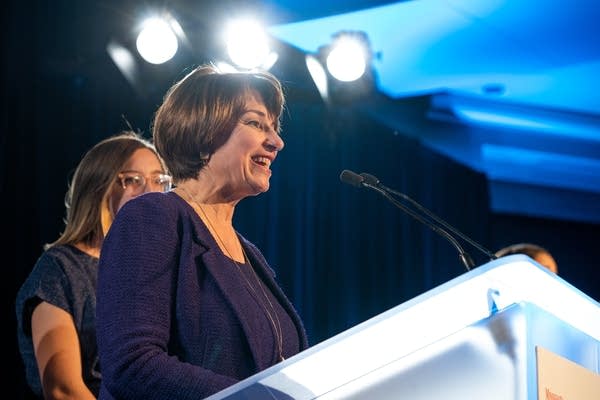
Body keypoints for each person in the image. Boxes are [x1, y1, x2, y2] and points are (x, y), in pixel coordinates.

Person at [95, 64, 309, 400]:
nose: (276, 142)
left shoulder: (249, 254)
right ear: (206, 131)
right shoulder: (152, 217)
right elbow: (131, 364)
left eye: (275, 128)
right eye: (256, 123)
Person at [15, 131, 172, 399]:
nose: (150, 191)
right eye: (133, 180)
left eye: (159, 180)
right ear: (98, 188)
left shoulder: (162, 271)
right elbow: (62, 388)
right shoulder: (60, 270)